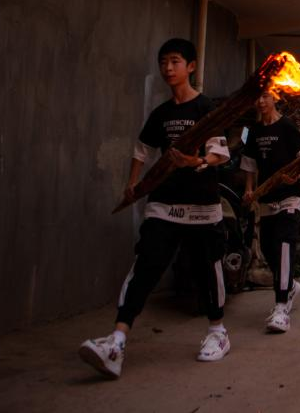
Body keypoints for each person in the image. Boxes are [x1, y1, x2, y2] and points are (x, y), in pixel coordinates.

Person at [79, 38, 232, 379]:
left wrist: (196, 161)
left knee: (207, 268)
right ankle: (117, 341)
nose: (168, 68)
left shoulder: (206, 108)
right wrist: (134, 184)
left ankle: (218, 332)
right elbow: (142, 149)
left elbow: (220, 152)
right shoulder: (161, 114)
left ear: (191, 66)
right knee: (146, 266)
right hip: (164, 204)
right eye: (163, 62)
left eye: (175, 61)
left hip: (201, 206)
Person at [240, 90, 300, 333]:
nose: (261, 101)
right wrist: (249, 190)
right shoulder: (255, 131)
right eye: (257, 97)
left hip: (289, 196)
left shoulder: (287, 126)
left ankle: (281, 308)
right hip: (266, 197)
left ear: (275, 98)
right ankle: (289, 286)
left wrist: (296, 175)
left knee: (283, 244)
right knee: (269, 247)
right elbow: (249, 164)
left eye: (266, 96)